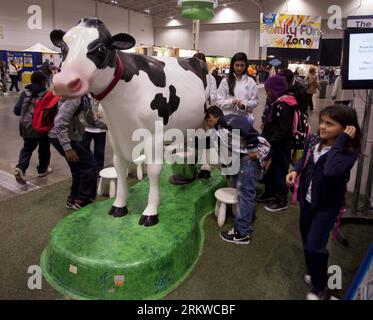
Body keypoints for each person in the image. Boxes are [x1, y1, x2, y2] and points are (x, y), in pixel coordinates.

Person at [286, 105, 361, 300]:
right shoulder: (314, 139)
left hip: (327, 206)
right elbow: (306, 158)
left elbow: (330, 170)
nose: (323, 127)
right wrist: (296, 169)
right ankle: (314, 267)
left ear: (346, 128)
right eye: (322, 122)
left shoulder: (347, 151)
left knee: (314, 245)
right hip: (307, 200)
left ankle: (319, 286)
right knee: (307, 240)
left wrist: (341, 140)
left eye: (330, 124)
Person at [205, 106, 270, 245]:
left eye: (207, 122)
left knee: (245, 193)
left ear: (211, 117)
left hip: (249, 158)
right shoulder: (220, 129)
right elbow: (213, 143)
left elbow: (246, 129)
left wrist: (252, 148)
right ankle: (246, 216)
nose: (208, 126)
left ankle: (242, 233)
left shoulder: (227, 121)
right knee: (243, 190)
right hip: (243, 157)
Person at [49, 95, 107, 209]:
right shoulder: (75, 98)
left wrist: (109, 126)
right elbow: (60, 122)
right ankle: (83, 199)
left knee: (77, 168)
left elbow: (91, 120)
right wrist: (68, 148)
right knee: (90, 166)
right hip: (64, 138)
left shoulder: (85, 97)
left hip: (69, 137)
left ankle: (73, 198)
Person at [258, 75, 296, 212]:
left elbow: (284, 129)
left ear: (276, 89)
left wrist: (272, 142)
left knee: (280, 171)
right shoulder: (277, 102)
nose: (267, 94)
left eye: (268, 91)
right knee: (270, 170)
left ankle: (281, 199)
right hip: (272, 144)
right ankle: (269, 193)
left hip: (281, 146)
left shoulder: (285, 104)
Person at [13, 71, 52, 184]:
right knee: (44, 148)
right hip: (41, 126)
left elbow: (16, 111)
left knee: (27, 147)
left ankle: (20, 167)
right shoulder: (46, 94)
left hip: (25, 126)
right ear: (44, 82)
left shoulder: (25, 93)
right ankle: (42, 170)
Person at [216, 52, 258, 124]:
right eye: (237, 65)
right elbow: (219, 101)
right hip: (228, 120)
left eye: (242, 65)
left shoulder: (251, 82)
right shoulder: (225, 81)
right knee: (232, 135)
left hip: (245, 120)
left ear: (246, 66)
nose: (239, 68)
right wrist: (231, 102)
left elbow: (255, 102)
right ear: (232, 65)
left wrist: (244, 105)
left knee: (240, 135)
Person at [81, 99, 107, 176]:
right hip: (86, 128)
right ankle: (88, 166)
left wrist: (104, 114)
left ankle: (98, 170)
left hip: (100, 129)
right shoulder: (86, 96)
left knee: (99, 151)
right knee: (84, 149)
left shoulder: (103, 97)